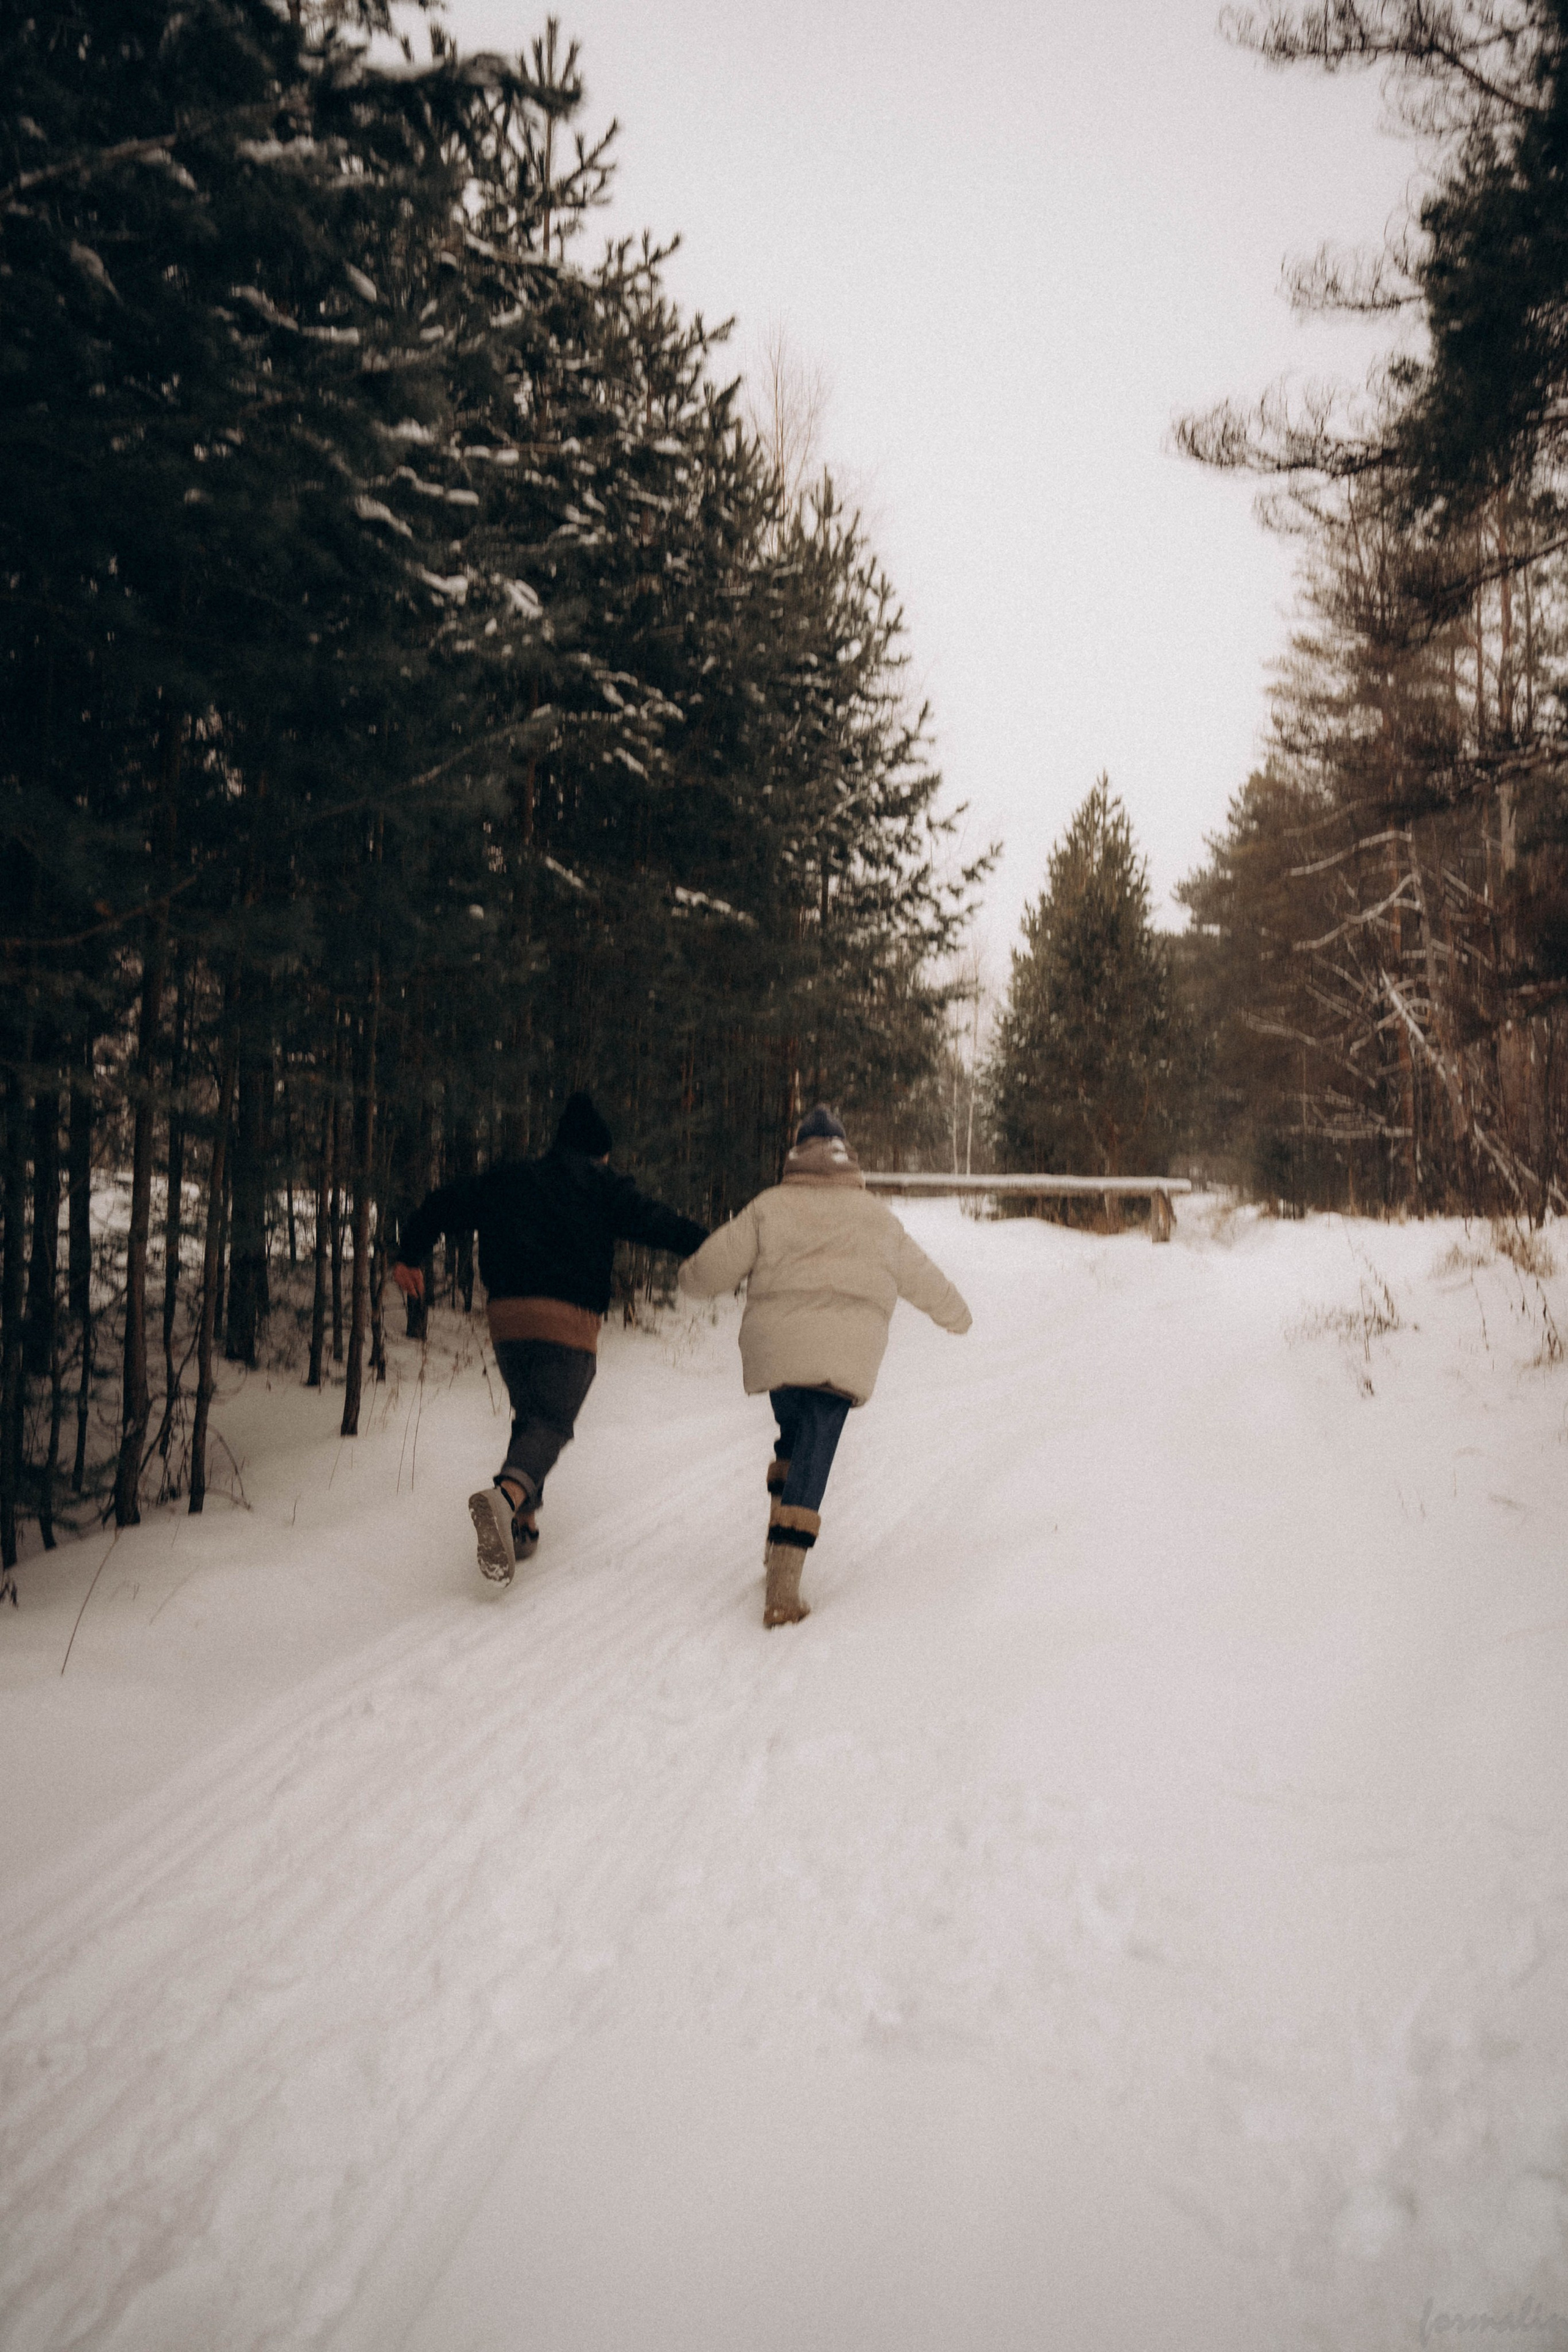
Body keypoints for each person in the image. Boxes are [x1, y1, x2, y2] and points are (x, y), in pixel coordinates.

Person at [392, 1091, 707, 1586]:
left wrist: (410, 1254)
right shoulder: (603, 1185)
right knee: (553, 1422)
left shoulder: (510, 1179)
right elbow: (661, 1225)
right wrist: (716, 1249)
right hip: (567, 1321)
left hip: (507, 1321)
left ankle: (523, 1524)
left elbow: (442, 1204)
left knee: (532, 1417)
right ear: (599, 1153)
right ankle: (503, 1500)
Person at [678, 1105, 971, 1627]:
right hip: (843, 1354)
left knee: (793, 1435)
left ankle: (776, 1541)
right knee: (815, 1444)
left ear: (797, 1154)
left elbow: (709, 1270)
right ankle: (784, 1588)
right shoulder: (877, 1217)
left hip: (777, 1349)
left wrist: (688, 1276)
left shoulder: (769, 1206)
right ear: (845, 1155)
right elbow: (923, 1277)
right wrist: (958, 1316)